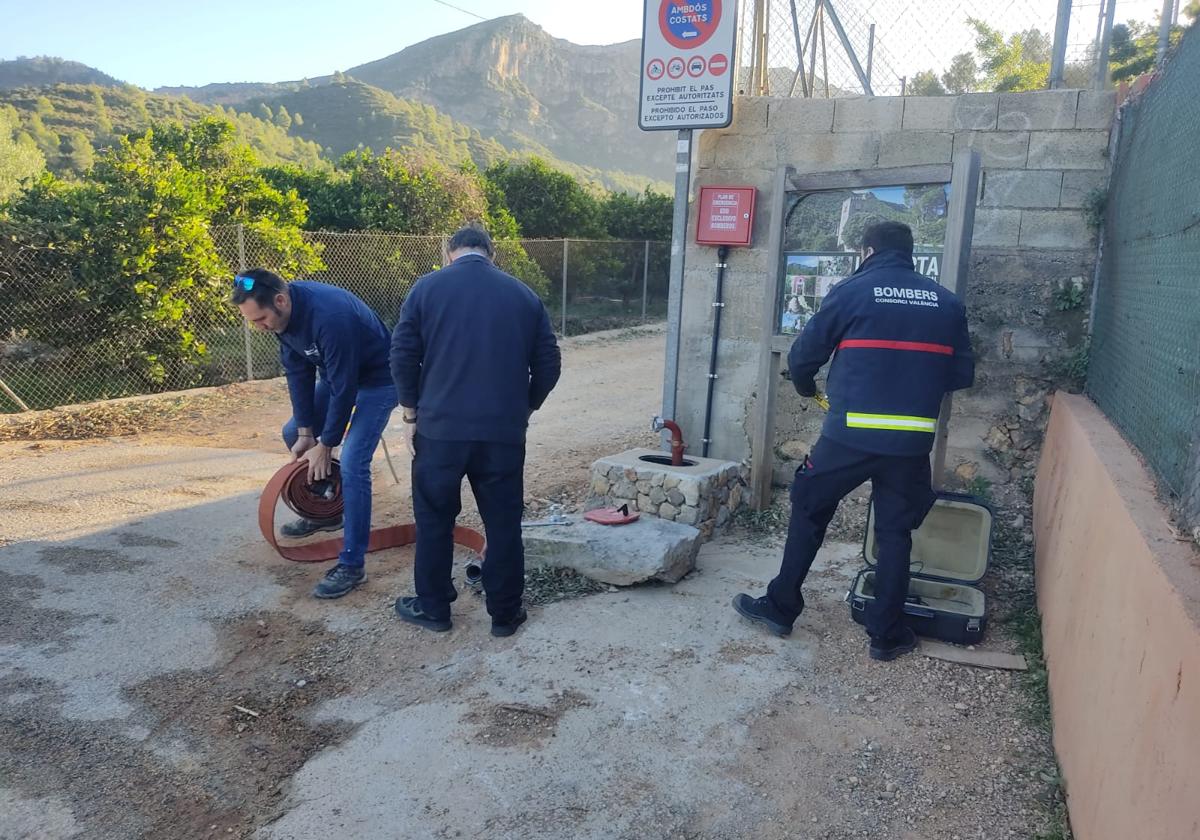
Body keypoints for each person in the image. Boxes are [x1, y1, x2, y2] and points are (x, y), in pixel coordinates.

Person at [732, 221, 975, 661]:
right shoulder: (947, 303)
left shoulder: (852, 291)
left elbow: (803, 356)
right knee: (895, 533)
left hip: (849, 438)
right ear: (911, 252)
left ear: (867, 251)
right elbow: (961, 375)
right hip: (910, 445)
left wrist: (807, 387)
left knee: (808, 509)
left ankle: (782, 607)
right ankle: (886, 636)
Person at [390, 226, 561, 637]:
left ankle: (434, 609)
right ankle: (504, 614)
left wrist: (411, 415)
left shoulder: (426, 289)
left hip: (439, 432)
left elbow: (402, 355)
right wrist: (524, 407)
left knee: (434, 520)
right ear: (492, 253)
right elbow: (549, 365)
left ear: (448, 252)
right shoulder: (522, 295)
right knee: (503, 523)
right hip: (501, 434)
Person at [233, 268, 398, 599]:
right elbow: (297, 372)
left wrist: (326, 444)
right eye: (253, 321)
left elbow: (344, 388)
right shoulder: (281, 317)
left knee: (351, 460)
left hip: (381, 380)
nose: (260, 327)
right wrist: (308, 433)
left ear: (280, 300)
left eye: (261, 319)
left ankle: (352, 565)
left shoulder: (329, 315)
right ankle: (328, 510)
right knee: (292, 432)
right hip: (341, 377)